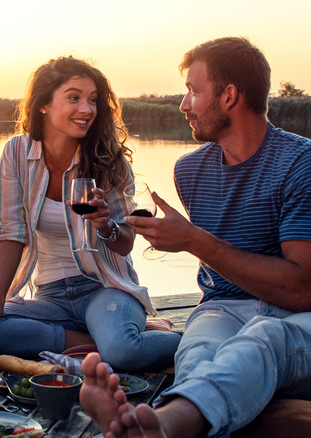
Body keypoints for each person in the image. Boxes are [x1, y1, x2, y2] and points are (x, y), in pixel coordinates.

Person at [80, 37, 311, 438]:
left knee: (265, 337)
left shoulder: (300, 164)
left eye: (192, 90)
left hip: (297, 317)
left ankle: (165, 425)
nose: (183, 104)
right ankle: (181, 421)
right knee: (199, 352)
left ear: (229, 96)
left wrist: (193, 240)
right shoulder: (190, 171)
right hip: (221, 308)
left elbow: (301, 291)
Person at [0, 56, 181, 371]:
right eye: (74, 98)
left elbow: (126, 242)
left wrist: (106, 226)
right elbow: (11, 232)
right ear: (44, 104)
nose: (86, 109)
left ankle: (187, 339)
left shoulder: (108, 160)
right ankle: (86, 343)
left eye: (92, 100)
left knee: (123, 353)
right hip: (50, 298)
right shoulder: (16, 154)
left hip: (104, 289)